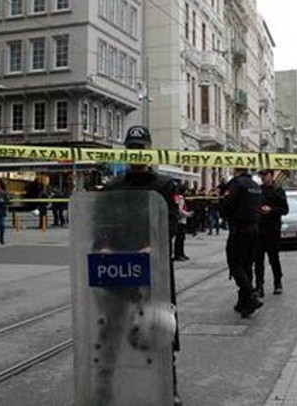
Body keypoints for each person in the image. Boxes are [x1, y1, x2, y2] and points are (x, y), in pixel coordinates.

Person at [104, 125, 182, 405]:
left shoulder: (164, 185)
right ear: (126, 152)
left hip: (153, 267)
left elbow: (172, 222)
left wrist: (156, 244)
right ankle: (106, 388)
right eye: (132, 149)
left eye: (141, 148)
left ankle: (169, 386)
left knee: (160, 326)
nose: (137, 154)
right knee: (111, 328)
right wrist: (103, 246)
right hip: (119, 268)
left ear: (149, 150)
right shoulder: (114, 187)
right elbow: (102, 223)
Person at [219, 167, 263, 317]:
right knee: (247, 265)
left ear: (235, 169)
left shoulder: (236, 184)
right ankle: (244, 303)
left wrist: (222, 205)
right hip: (254, 229)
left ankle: (250, 295)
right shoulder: (255, 185)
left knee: (235, 264)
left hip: (239, 228)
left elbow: (227, 205)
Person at [255, 169, 289, 297]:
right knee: (258, 260)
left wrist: (271, 210)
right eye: (261, 175)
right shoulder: (258, 189)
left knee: (274, 258)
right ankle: (259, 286)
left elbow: (285, 210)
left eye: (265, 175)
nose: (263, 177)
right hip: (259, 229)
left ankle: (278, 283)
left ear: (271, 175)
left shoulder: (278, 190)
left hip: (272, 229)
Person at [173, 184, 190, 261]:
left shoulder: (180, 197)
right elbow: (179, 209)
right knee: (179, 238)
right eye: (186, 190)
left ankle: (181, 253)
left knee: (182, 238)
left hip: (182, 220)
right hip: (180, 220)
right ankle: (178, 254)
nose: (187, 192)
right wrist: (188, 214)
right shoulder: (180, 198)